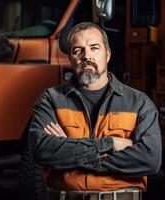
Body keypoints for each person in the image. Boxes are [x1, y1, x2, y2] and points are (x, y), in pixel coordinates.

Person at [28, 22, 162, 200]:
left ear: (107, 54)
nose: (86, 56)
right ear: (70, 58)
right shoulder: (51, 100)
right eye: (78, 50)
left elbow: (150, 160)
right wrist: (109, 144)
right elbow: (43, 150)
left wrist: (70, 151)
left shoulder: (139, 103)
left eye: (94, 48)